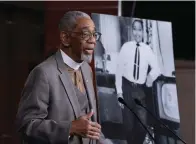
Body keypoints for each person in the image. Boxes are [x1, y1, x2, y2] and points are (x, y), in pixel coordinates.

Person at [16, 11, 112, 144]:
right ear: (65, 38)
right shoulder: (43, 73)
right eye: (85, 34)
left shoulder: (86, 69)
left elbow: (91, 127)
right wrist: (70, 128)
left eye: (94, 34)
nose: (93, 40)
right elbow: (27, 126)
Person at [115, 19, 161, 144]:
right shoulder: (126, 47)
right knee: (128, 126)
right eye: (134, 29)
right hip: (127, 88)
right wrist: (119, 92)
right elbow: (118, 70)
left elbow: (157, 68)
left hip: (140, 90)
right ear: (132, 30)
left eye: (139, 29)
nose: (137, 33)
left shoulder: (147, 50)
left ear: (143, 32)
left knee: (142, 125)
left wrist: (150, 78)